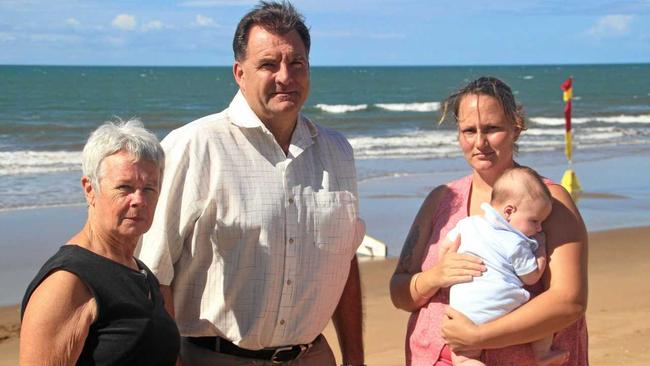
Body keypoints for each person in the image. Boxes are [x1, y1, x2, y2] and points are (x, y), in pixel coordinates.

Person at [136, 1, 365, 365]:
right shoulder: (195, 146)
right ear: (239, 72)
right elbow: (152, 269)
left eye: (297, 63)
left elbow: (344, 261)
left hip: (313, 356)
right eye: (268, 64)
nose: (285, 76)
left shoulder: (338, 151)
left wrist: (355, 357)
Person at [389, 76, 588, 366]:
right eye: (469, 130)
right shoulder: (442, 199)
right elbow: (399, 291)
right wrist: (436, 276)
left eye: (492, 129)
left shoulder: (549, 203)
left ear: (516, 127)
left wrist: (479, 337)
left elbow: (569, 301)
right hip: (430, 356)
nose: (479, 142)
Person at [20, 119, 180, 365]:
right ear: (89, 189)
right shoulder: (67, 282)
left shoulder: (140, 272)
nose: (139, 200)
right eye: (124, 187)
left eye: (149, 188)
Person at [444, 166, 567, 366]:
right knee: (541, 315)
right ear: (509, 211)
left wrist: (447, 264)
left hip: (463, 310)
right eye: (535, 221)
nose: (539, 228)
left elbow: (447, 247)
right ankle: (543, 354)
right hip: (501, 304)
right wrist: (541, 252)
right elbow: (531, 276)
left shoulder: (469, 223)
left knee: (463, 357)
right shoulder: (515, 241)